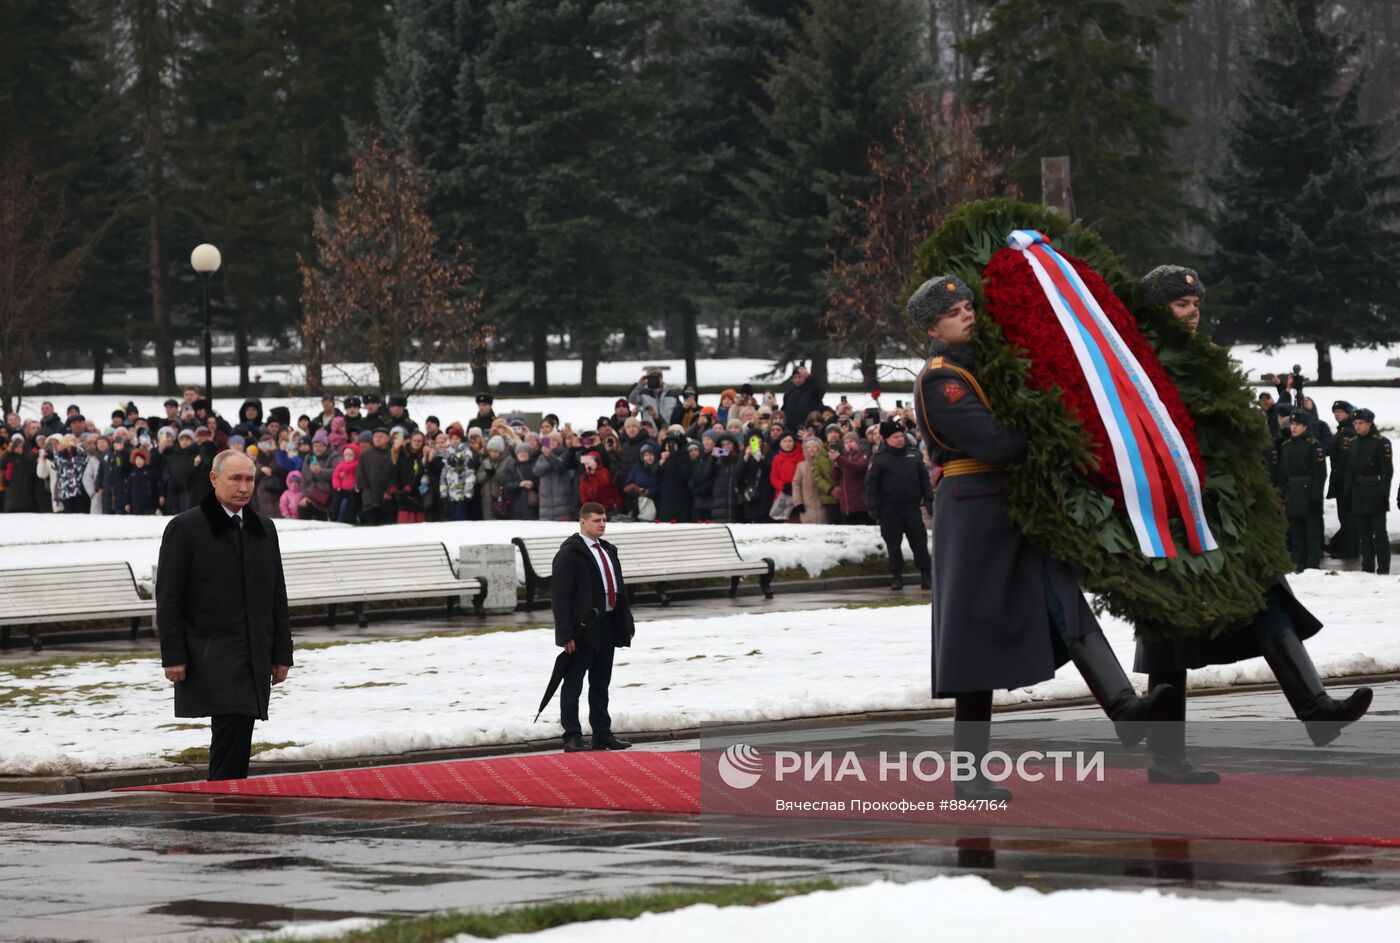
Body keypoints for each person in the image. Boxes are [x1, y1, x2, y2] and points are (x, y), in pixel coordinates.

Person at [910, 273, 1170, 802]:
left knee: (1064, 601)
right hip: (975, 513)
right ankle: (968, 772)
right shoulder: (943, 379)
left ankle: (1123, 706)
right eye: (955, 311)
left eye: (968, 305)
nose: (967, 314)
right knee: (971, 644)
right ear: (933, 326)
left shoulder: (985, 366)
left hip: (1013, 508)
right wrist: (1050, 430)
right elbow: (996, 442)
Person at [1133, 265, 1371, 784]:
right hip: (1166, 511)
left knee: (1265, 594)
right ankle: (1165, 757)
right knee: (1167, 632)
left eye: (1195, 304)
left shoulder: (1200, 357)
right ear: (1157, 309)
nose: (1193, 313)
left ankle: (1316, 709)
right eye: (1180, 305)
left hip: (1220, 508)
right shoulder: (1137, 361)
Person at [155, 450, 293, 781]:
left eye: (249, 479)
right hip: (210, 648)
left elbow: (277, 595)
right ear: (214, 479)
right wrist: (173, 656)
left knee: (239, 724)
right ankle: (224, 794)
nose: (244, 487)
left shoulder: (263, 528)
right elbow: (169, 597)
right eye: (235, 478)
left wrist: (281, 654)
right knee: (232, 721)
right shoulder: (186, 527)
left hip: (253, 647)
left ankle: (228, 792)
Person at [551, 502, 636, 752]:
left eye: (604, 520)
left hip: (607, 625)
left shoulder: (608, 550)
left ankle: (602, 732)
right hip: (582, 629)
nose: (602, 524)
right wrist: (566, 634)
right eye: (597, 520)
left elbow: (619, 589)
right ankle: (572, 735)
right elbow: (560, 597)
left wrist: (626, 621)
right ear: (583, 522)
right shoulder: (569, 554)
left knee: (601, 682)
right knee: (573, 683)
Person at [865, 420, 933, 589]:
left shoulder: (914, 455)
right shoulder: (879, 459)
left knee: (919, 542)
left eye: (901, 436)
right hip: (889, 510)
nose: (900, 439)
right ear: (885, 439)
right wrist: (873, 506)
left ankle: (926, 575)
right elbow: (871, 485)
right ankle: (897, 576)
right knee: (893, 544)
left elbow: (924, 479)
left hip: (911, 508)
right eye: (895, 437)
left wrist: (929, 499)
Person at [1272, 409, 1326, 571]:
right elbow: (1283, 473)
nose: (1294, 428)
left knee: (1311, 532)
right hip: (1292, 493)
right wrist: (1282, 494)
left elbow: (1320, 474)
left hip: (1308, 492)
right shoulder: (1286, 445)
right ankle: (1299, 563)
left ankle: (1312, 565)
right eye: (1293, 424)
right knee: (1296, 532)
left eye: (1298, 425)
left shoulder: (1314, 445)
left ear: (1306, 427)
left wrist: (1316, 496)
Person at [1344, 407, 1392, 575]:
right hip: (1358, 491)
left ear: (1370, 423)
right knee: (1363, 535)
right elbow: (1349, 471)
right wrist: (1348, 494)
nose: (1357, 426)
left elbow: (1387, 471)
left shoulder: (1381, 442)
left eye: (1361, 423)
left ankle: (1383, 569)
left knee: (1378, 534)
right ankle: (1367, 568)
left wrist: (1384, 494)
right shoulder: (1352, 443)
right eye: (1355, 423)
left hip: (1375, 490)